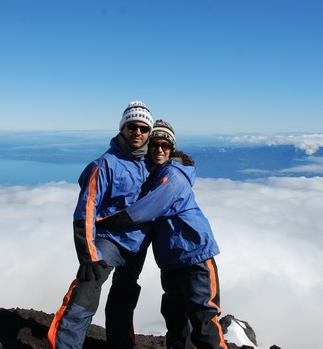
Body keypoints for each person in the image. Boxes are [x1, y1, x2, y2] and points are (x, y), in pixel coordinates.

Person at [97, 120, 228, 349]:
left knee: (203, 318)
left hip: (194, 254)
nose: (159, 149)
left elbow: (145, 210)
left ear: (172, 148)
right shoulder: (154, 174)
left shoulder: (173, 175)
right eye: (154, 144)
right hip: (170, 260)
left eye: (165, 145)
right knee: (175, 319)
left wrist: (104, 222)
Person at [48, 101, 155, 349]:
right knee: (88, 287)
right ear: (122, 129)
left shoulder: (152, 164)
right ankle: (66, 345)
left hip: (137, 245)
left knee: (124, 296)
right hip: (109, 241)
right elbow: (85, 211)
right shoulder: (104, 165)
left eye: (143, 128)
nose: (137, 132)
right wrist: (88, 255)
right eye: (132, 127)